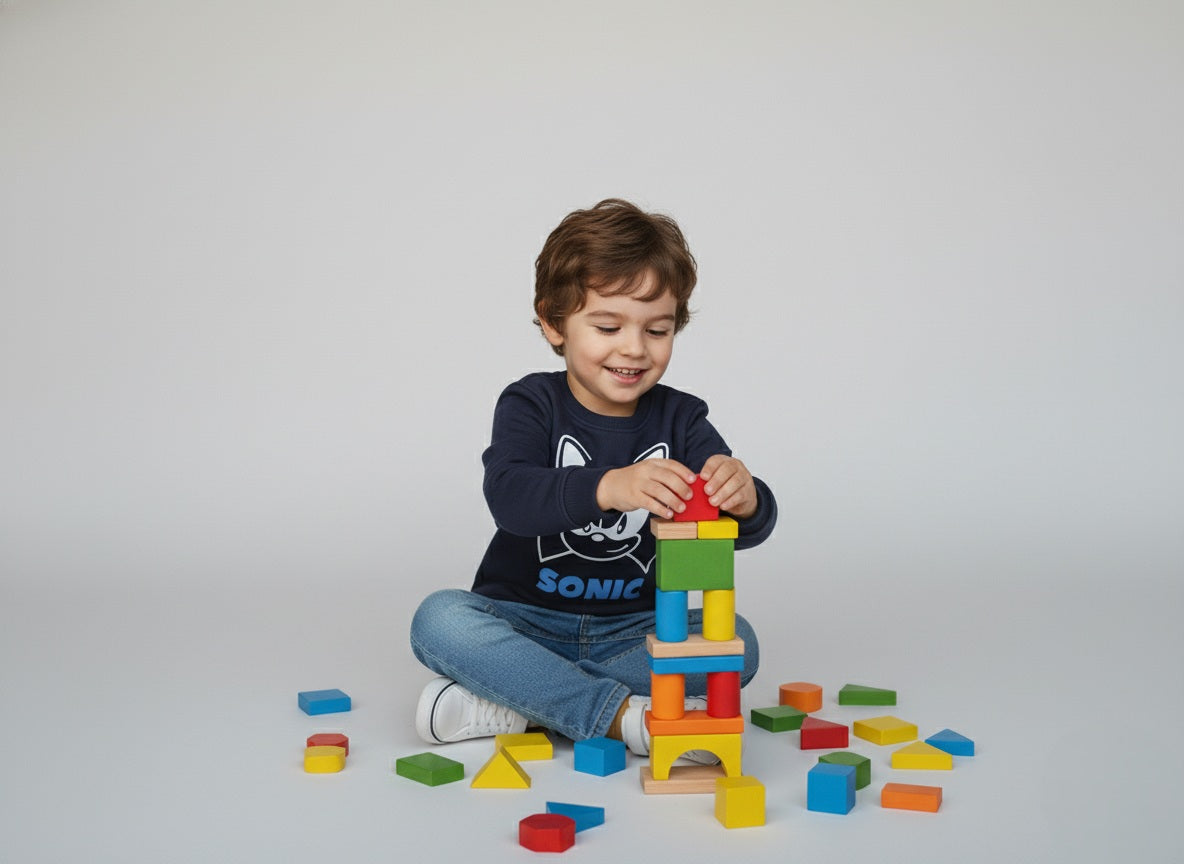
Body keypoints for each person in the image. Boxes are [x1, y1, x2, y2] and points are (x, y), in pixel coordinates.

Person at [409, 198, 777, 759]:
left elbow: (732, 520)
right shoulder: (530, 402)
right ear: (555, 324)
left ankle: (522, 700)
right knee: (439, 618)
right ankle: (618, 715)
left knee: (740, 642)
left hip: (638, 628)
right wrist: (609, 487)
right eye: (608, 326)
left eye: (657, 330)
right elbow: (510, 499)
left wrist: (745, 499)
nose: (634, 348)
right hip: (523, 619)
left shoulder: (683, 417)